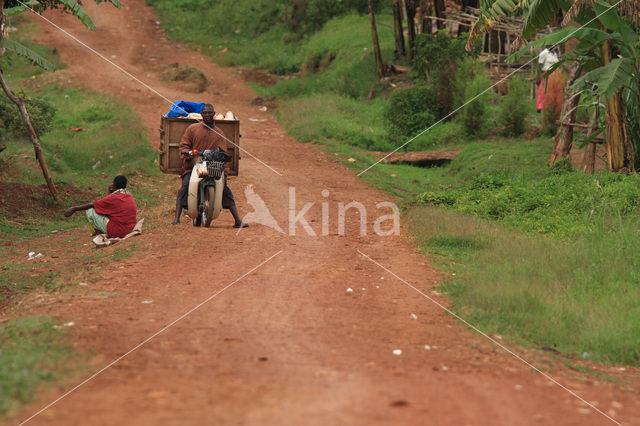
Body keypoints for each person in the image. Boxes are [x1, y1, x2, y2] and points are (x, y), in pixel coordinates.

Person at [173, 103, 248, 228]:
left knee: (225, 190)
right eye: (205, 113)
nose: (207, 115)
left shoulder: (219, 133)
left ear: (214, 115)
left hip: (213, 167)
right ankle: (176, 219)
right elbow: (184, 145)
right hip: (194, 166)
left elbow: (223, 153)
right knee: (185, 186)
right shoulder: (192, 129)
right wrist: (190, 154)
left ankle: (237, 220)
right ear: (202, 115)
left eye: (210, 113)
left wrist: (224, 169)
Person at [64, 175, 137, 238]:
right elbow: (107, 206)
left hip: (118, 232)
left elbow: (93, 205)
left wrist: (73, 209)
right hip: (130, 229)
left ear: (114, 185)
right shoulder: (129, 196)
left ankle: (99, 235)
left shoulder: (113, 198)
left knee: (90, 210)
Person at [537, 46, 559, 113]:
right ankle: (540, 107)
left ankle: (550, 106)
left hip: (555, 74)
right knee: (544, 90)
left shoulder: (555, 54)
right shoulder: (544, 53)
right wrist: (538, 76)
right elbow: (539, 65)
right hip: (547, 73)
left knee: (553, 90)